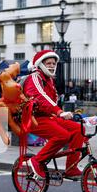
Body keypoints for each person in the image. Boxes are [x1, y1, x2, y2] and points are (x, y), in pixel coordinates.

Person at [23, 50, 85, 180]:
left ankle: (71, 168)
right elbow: (41, 97)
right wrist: (60, 112)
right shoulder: (34, 77)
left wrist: (66, 114)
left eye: (53, 63)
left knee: (79, 129)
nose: (51, 66)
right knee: (62, 135)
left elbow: (53, 101)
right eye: (48, 63)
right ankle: (37, 161)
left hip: (49, 117)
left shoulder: (49, 80)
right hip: (33, 118)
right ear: (40, 64)